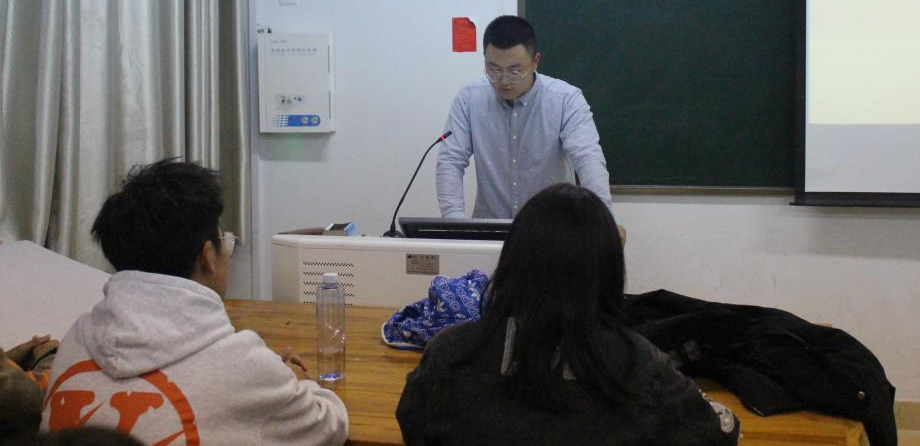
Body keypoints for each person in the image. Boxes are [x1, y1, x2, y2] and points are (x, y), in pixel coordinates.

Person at [396, 183, 740, 445]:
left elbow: (413, 425)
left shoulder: (451, 355)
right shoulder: (641, 366)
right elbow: (717, 435)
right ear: (607, 273)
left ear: (514, 262)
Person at [40, 159, 348, 445]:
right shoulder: (245, 366)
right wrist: (293, 384)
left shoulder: (76, 340)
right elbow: (328, 425)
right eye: (225, 242)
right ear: (207, 256)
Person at [436, 15, 612, 219]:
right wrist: (454, 222)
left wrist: (604, 220)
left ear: (535, 61)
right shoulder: (470, 98)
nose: (503, 81)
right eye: (493, 70)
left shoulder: (565, 100)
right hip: (491, 227)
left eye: (515, 71)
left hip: (553, 227)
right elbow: (450, 161)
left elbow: (588, 159)